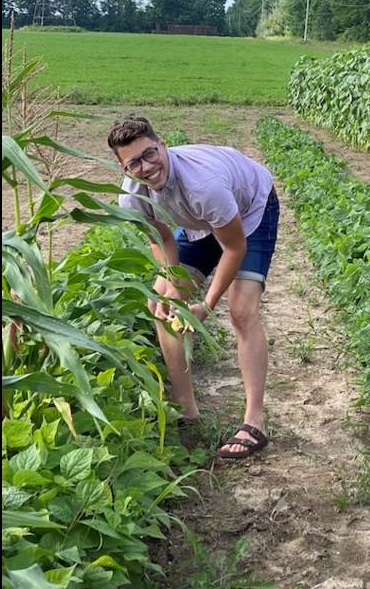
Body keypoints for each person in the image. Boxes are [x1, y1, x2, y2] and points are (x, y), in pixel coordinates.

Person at [108, 114, 279, 459]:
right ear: (125, 170)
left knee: (241, 311)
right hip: (200, 221)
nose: (147, 167)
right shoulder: (132, 197)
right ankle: (185, 409)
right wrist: (173, 284)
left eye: (150, 154)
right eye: (134, 163)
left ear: (162, 145)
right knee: (162, 303)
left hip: (249, 212)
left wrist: (207, 304)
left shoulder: (204, 185)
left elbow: (233, 247)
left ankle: (254, 421)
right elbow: (162, 237)